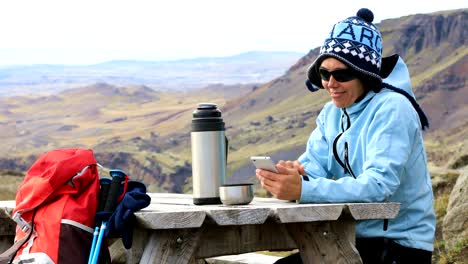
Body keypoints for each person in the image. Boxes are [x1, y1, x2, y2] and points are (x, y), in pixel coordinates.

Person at [256, 8, 436, 264]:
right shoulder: (331, 114)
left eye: (341, 74)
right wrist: (298, 175)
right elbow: (315, 166)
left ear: (365, 74)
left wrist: (305, 189)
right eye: (324, 73)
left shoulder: (393, 108)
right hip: (348, 236)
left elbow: (379, 185)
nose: (330, 83)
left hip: (399, 245)